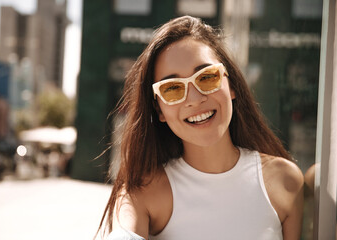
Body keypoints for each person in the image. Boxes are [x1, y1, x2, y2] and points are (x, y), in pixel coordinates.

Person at [96, 16, 304, 240]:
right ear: (159, 111)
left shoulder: (285, 180)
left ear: (231, 84)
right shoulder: (141, 194)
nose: (194, 99)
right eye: (173, 88)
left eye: (206, 77)